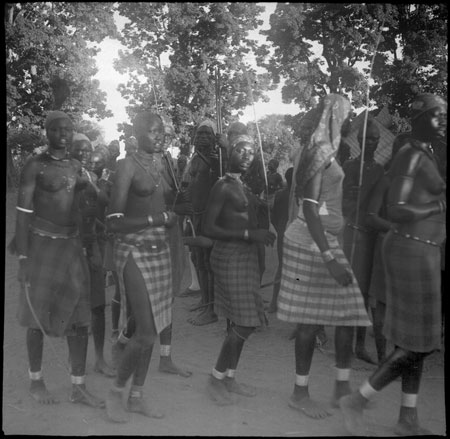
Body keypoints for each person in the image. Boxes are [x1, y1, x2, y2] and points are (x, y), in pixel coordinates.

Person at [340, 93, 447, 436]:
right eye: (435, 115)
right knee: (416, 341)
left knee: (420, 340)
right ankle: (358, 399)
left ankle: (408, 418)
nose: (442, 120)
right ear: (417, 119)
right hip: (410, 250)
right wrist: (439, 208)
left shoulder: (426, 153)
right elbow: (397, 210)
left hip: (425, 250)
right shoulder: (409, 156)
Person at [277, 94, 371, 419]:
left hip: (323, 238)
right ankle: (300, 394)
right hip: (310, 241)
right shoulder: (320, 151)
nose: (347, 121)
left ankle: (341, 387)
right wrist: (329, 257)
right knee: (311, 319)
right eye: (344, 115)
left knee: (349, 312)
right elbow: (309, 208)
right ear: (333, 116)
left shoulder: (331, 149)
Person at [14, 110, 103, 407]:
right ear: (47, 132)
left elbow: (86, 204)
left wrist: (89, 188)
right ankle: (36, 381)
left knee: (79, 319)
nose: (63, 134)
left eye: (67, 129)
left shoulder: (78, 166)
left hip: (70, 248)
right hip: (41, 246)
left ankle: (79, 387)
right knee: (36, 318)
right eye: (56, 129)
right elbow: (23, 213)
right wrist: (24, 258)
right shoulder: (34, 167)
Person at [105, 112, 188, 423]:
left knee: (150, 327)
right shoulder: (126, 166)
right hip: (133, 252)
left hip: (160, 250)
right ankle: (115, 393)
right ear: (137, 134)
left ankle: (137, 396)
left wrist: (175, 211)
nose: (159, 136)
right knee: (147, 332)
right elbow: (114, 223)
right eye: (152, 131)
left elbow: (166, 204)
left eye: (162, 131)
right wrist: (156, 219)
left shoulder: (161, 165)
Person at [203, 133, 276, 405]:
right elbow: (208, 228)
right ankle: (215, 378)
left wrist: (264, 208)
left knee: (240, 321)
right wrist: (249, 235)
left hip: (247, 257)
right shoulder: (222, 186)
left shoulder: (244, 186)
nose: (247, 156)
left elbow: (254, 219)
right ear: (229, 152)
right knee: (245, 321)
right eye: (241, 151)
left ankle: (229, 378)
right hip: (229, 256)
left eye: (251, 152)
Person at [68, 133, 115, 377]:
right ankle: (76, 365)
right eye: (79, 150)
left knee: (98, 306)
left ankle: (99, 359)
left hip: (92, 245)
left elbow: (102, 203)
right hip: (71, 248)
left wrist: (98, 226)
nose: (85, 154)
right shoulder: (62, 177)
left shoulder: (91, 177)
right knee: (75, 306)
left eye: (88, 150)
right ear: (69, 150)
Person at [342, 117, 384, 366]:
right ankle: (345, 344)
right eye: (365, 139)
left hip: (370, 237)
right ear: (358, 141)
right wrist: (350, 196)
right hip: (351, 231)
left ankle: (359, 344)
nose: (369, 143)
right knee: (350, 289)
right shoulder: (348, 167)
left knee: (365, 292)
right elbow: (337, 204)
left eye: (374, 139)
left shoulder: (380, 170)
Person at [365, 133, 411, 364]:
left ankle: (399, 356)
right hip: (387, 245)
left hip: (411, 249)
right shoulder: (386, 179)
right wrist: (394, 227)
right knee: (382, 304)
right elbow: (371, 216)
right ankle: (383, 357)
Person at [185, 119, 221, 326]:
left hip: (208, 216)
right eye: (200, 134)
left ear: (215, 138)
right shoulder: (195, 159)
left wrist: (218, 163)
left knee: (208, 262)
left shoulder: (216, 159)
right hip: (194, 215)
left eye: (208, 134)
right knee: (198, 259)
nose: (202, 137)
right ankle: (204, 301)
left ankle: (211, 308)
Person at [267, 167, 293, 313]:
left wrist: (279, 230)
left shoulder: (280, 194)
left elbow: (274, 217)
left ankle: (274, 303)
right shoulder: (295, 195)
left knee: (281, 267)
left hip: (283, 232)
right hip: (291, 233)